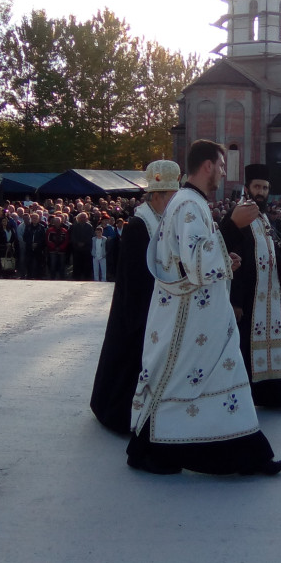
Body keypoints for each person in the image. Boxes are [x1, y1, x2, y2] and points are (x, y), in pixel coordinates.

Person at [127, 140, 281, 475]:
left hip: (199, 318)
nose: (223, 173)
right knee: (190, 379)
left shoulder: (191, 202)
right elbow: (197, 262)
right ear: (206, 166)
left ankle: (158, 451)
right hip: (192, 322)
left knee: (193, 380)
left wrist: (225, 260)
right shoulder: (189, 204)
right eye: (220, 166)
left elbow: (190, 260)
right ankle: (241, 456)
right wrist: (232, 227)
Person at [90, 160, 180, 433]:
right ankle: (118, 414)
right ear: (157, 195)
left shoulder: (164, 221)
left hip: (157, 304)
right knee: (129, 359)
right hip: (138, 306)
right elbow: (135, 276)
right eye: (171, 196)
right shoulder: (139, 226)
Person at [219, 164, 281, 409]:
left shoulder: (265, 217)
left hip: (269, 299)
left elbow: (270, 254)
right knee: (245, 348)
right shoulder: (238, 216)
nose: (261, 191)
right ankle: (245, 398)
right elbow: (229, 257)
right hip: (248, 300)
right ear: (247, 188)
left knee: (272, 345)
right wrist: (235, 300)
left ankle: (278, 396)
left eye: (265, 188)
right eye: (257, 186)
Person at [68, 211, 95, 280]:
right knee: (77, 263)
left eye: (84, 217)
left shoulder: (89, 226)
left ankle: (87, 277)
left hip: (86, 248)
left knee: (87, 263)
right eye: (81, 217)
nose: (83, 219)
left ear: (87, 218)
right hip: (77, 249)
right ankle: (76, 277)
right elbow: (72, 236)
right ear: (78, 218)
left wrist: (84, 243)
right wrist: (77, 243)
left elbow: (91, 236)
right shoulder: (74, 226)